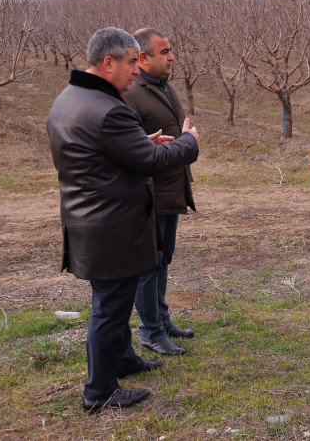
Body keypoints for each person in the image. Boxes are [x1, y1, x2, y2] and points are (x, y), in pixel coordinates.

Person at [47, 27, 200, 413]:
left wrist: (139, 143)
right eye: (132, 62)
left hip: (90, 220)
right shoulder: (109, 109)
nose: (136, 71)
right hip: (110, 227)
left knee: (113, 303)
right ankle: (100, 392)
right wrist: (189, 142)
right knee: (109, 308)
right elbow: (152, 163)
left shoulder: (70, 99)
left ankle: (124, 360)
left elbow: (97, 154)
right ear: (108, 62)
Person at [122, 28, 196, 357]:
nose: (172, 57)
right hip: (149, 195)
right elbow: (134, 150)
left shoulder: (164, 87)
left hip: (172, 190)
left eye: (171, 50)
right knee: (148, 265)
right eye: (164, 51)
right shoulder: (131, 94)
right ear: (143, 58)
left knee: (163, 260)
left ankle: (162, 320)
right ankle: (149, 332)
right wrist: (184, 143)